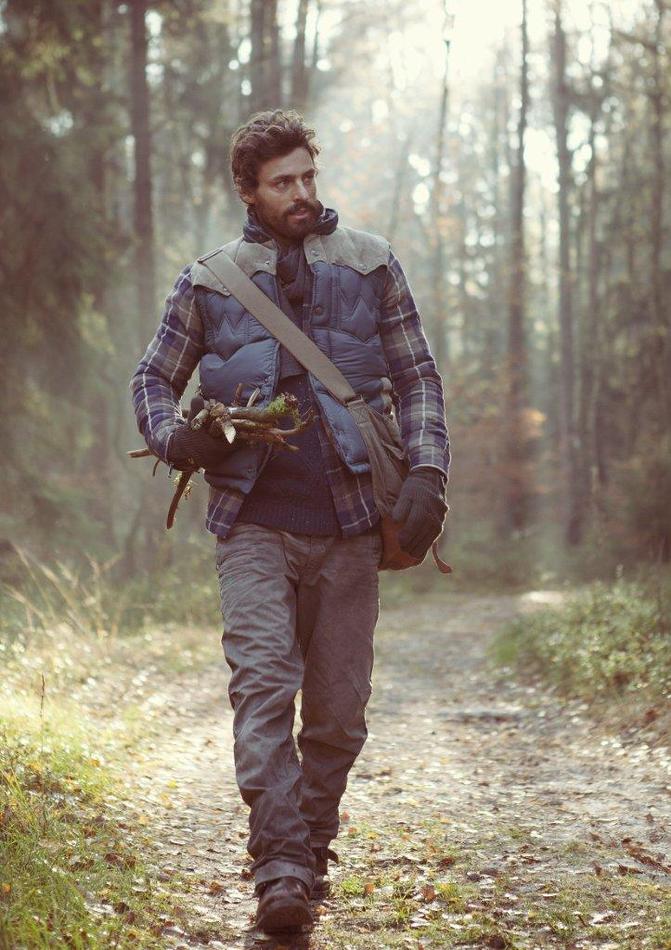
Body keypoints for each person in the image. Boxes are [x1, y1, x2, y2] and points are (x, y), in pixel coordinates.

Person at [130, 109, 449, 934]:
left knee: (339, 713)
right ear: (249, 191)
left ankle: (310, 847)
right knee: (264, 690)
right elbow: (152, 380)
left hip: (353, 524)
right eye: (283, 183)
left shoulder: (372, 264)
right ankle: (279, 866)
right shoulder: (209, 282)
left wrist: (427, 471)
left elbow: (418, 379)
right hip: (252, 526)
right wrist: (175, 437)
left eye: (309, 175)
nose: (302, 193)